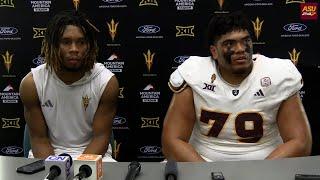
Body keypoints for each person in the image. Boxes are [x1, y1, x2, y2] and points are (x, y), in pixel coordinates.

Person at [161, 11, 312, 162]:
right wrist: (207, 174)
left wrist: (260, 173)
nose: (240, 49)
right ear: (214, 51)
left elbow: (300, 142)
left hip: (267, 161)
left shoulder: (278, 73)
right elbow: (172, 140)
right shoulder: (194, 72)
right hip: (203, 160)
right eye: (229, 44)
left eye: (245, 41)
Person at [19, 10, 119, 162]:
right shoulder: (32, 83)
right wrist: (58, 168)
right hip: (49, 154)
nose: (74, 49)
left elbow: (100, 138)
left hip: (94, 154)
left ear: (89, 46)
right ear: (54, 45)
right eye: (66, 42)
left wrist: (79, 171)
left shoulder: (106, 81)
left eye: (81, 42)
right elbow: (39, 140)